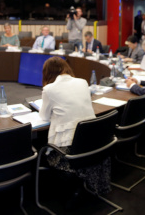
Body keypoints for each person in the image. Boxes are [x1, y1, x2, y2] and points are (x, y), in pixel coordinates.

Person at [39, 57, 111, 196]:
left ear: (48, 73)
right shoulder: (83, 82)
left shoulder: (49, 89)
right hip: (94, 143)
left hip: (70, 153)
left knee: (42, 153)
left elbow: (44, 117)